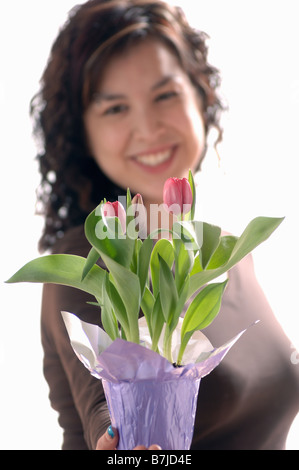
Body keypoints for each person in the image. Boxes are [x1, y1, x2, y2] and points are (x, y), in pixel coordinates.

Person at [31, 0, 299, 450]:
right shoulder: (88, 264)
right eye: (115, 108)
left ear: (201, 95)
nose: (148, 127)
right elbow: (105, 408)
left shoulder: (232, 250)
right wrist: (116, 438)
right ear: (83, 133)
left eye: (165, 95)